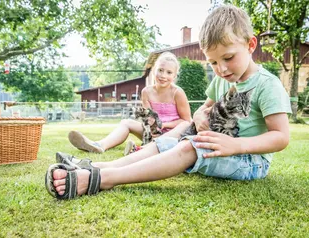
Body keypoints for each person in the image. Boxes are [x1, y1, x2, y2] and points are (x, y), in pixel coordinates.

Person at [45, 5, 292, 200]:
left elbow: (281, 137)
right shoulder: (222, 80)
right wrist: (198, 116)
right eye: (214, 62)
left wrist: (235, 146)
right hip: (218, 146)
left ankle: (104, 179)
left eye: (228, 57)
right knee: (165, 140)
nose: (222, 68)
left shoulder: (267, 85)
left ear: (250, 44)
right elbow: (203, 109)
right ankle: (96, 166)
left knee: (188, 147)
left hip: (251, 162)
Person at [68, 51, 192, 155]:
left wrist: (164, 124)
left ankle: (142, 150)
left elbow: (186, 121)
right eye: (160, 70)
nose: (163, 75)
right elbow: (148, 118)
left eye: (169, 72)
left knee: (184, 125)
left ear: (174, 76)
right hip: (155, 132)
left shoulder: (177, 92)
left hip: (174, 133)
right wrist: (152, 129)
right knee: (126, 122)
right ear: (154, 70)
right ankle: (99, 145)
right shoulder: (146, 92)